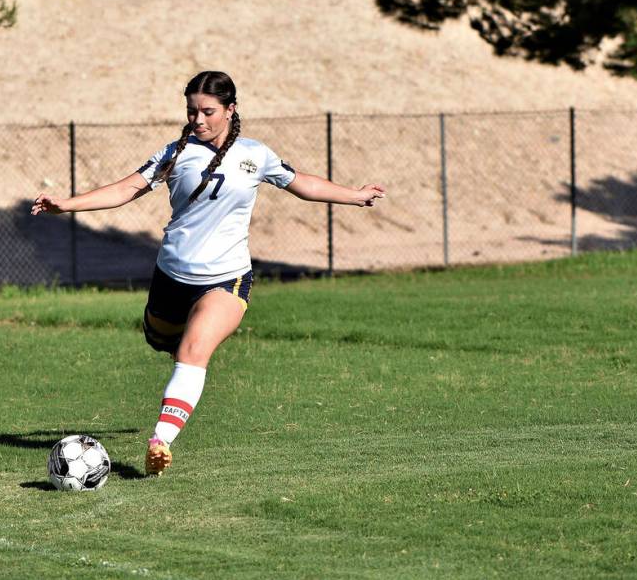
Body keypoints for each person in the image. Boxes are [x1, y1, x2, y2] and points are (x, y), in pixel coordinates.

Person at [31, 71, 385, 476]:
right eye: (191, 111)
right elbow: (125, 189)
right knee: (160, 340)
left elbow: (301, 183)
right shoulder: (176, 152)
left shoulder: (255, 155)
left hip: (227, 277)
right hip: (171, 276)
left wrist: (354, 195)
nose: (198, 120)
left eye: (208, 112)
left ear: (230, 110)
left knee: (193, 351)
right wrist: (66, 205)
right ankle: (176, 372)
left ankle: (160, 441)